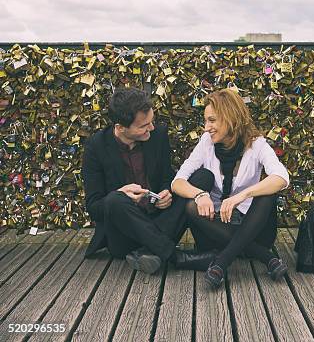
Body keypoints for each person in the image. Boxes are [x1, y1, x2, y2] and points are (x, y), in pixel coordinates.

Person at [82, 87, 214, 273]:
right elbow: (94, 207)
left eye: (151, 122)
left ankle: (148, 252)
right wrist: (122, 195)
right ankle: (176, 257)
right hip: (124, 236)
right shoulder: (96, 147)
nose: (151, 128)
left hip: (162, 223)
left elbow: (167, 176)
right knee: (115, 199)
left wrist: (166, 191)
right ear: (120, 127)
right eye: (143, 126)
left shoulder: (157, 135)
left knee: (203, 177)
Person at [171, 88, 290, 288]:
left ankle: (222, 261)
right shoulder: (206, 143)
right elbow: (178, 182)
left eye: (212, 120)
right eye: (205, 121)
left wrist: (242, 196)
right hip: (216, 230)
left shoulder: (257, 145)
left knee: (268, 192)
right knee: (192, 204)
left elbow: (281, 177)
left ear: (230, 117)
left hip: (255, 230)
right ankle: (266, 258)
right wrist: (200, 195)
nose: (206, 127)